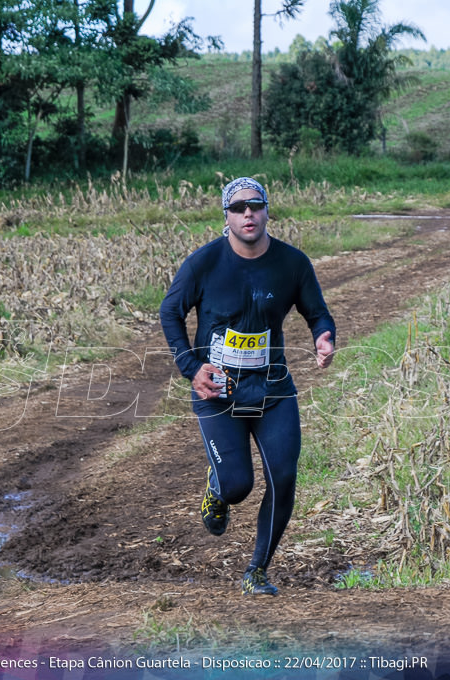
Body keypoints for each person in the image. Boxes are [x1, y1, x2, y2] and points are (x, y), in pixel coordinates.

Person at [159, 177, 336, 596]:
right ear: (227, 216)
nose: (248, 214)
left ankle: (257, 570)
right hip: (217, 392)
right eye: (238, 208)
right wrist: (191, 367)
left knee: (284, 477)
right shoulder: (204, 264)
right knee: (239, 486)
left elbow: (318, 314)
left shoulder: (292, 263)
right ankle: (218, 488)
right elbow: (170, 311)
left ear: (267, 210)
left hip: (273, 390)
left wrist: (324, 336)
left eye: (255, 206)